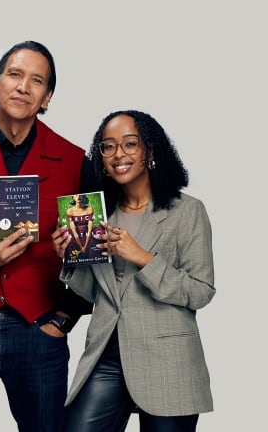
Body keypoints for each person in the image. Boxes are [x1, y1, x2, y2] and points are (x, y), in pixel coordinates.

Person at [0, 40, 93, 432]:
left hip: (40, 332)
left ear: (46, 98)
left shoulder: (74, 161)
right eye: (15, 74)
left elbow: (91, 253)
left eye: (37, 80)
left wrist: (65, 317)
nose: (24, 86)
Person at [53, 110, 215, 431]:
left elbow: (200, 291)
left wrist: (142, 257)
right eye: (108, 147)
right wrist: (71, 257)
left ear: (150, 151)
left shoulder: (187, 211)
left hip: (167, 359)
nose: (118, 155)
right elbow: (93, 292)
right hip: (107, 355)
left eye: (130, 144)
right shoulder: (99, 214)